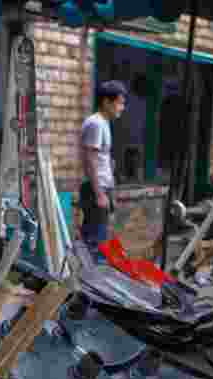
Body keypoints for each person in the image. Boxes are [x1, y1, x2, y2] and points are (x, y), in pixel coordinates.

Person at [79, 80, 127, 257]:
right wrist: (99, 193)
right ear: (106, 102)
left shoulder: (103, 123)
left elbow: (101, 159)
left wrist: (110, 190)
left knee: (100, 239)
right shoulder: (96, 123)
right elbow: (89, 158)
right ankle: (91, 272)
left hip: (101, 188)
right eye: (119, 103)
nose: (122, 108)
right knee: (95, 242)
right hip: (95, 190)